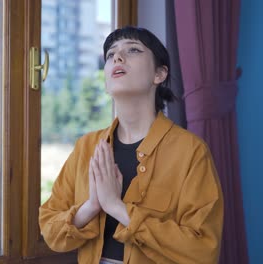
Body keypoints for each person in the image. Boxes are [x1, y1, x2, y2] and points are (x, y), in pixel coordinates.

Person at [38, 26, 224, 264]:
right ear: (106, 81)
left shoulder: (191, 152)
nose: (117, 56)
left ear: (159, 74)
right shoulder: (86, 147)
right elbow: (51, 231)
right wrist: (92, 206)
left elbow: (203, 250)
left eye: (133, 50)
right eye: (110, 55)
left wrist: (117, 208)